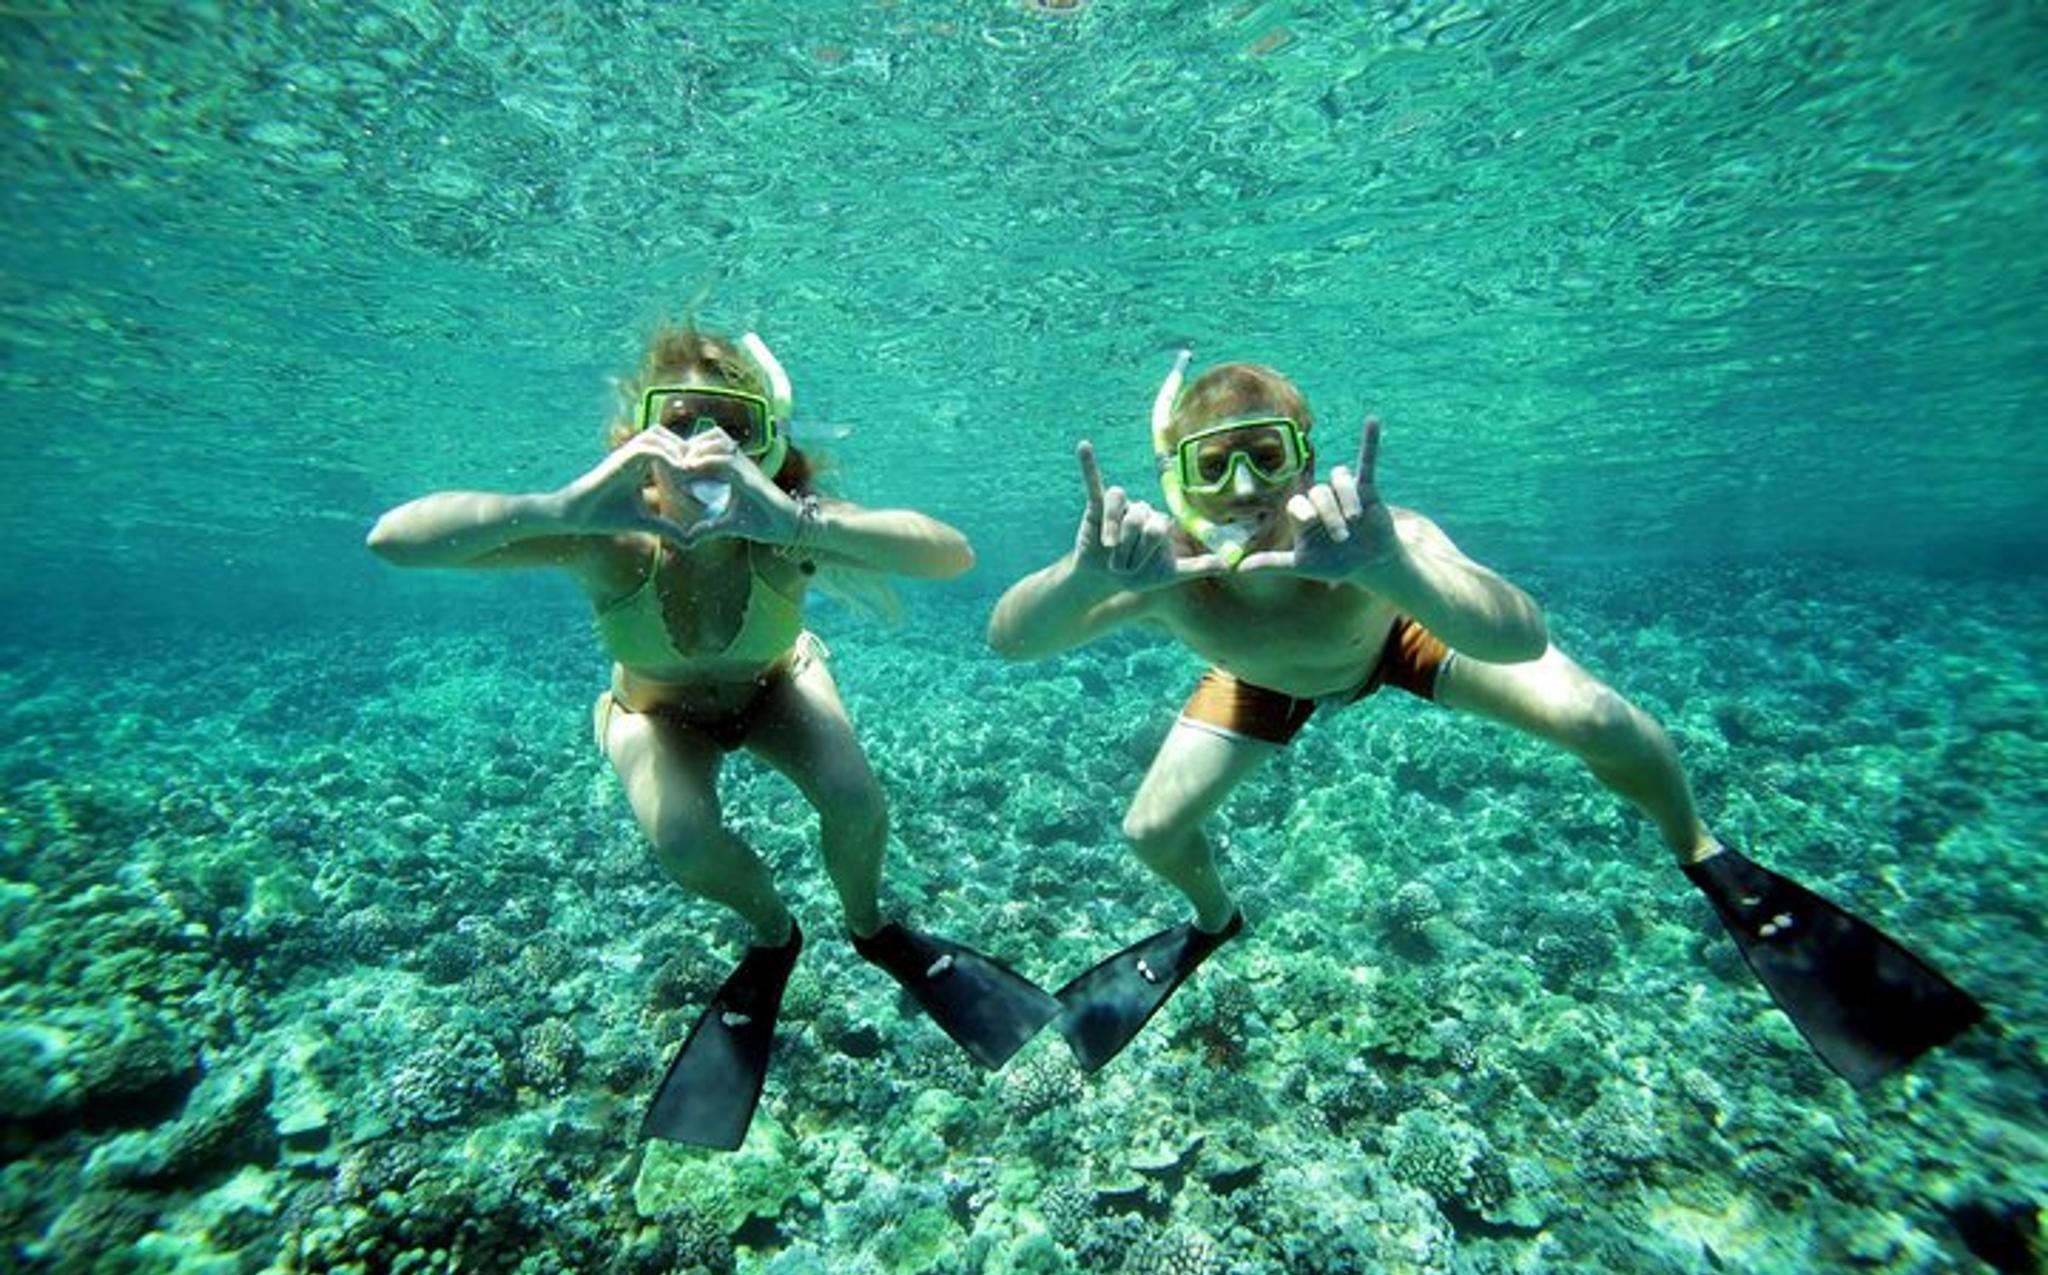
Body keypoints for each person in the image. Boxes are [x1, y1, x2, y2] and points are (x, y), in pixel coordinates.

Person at [988, 350, 1983, 1088]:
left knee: (1607, 721)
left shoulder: (1377, 539)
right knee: (1149, 831)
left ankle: (1703, 853)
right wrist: (1078, 573)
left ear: (1305, 461)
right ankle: (1214, 920)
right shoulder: (1165, 569)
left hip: (1397, 640)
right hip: (1258, 682)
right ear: (1180, 482)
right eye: (1214, 468)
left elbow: (1516, 635)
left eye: (1265, 457)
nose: (1244, 489)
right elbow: (1010, 640)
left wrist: (1387, 566)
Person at [368, 326, 1055, 1149]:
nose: (707, 453)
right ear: (639, 441)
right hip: (656, 711)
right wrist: (561, 507)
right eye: (682, 424)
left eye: (735, 431)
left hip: (775, 686)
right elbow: (395, 539)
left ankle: (871, 926)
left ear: (768, 446)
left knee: (857, 801)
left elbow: (951, 556)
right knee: (684, 839)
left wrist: (797, 521)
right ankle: (774, 932)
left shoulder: (786, 529)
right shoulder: (610, 541)